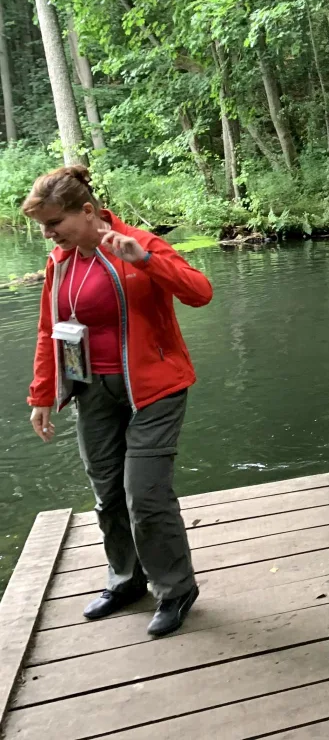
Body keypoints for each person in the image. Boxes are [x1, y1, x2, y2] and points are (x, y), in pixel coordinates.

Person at [24, 166, 212, 636]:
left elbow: (200, 293)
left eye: (54, 224)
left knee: (145, 494)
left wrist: (147, 260)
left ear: (86, 212)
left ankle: (176, 589)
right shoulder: (61, 261)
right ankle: (127, 580)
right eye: (45, 228)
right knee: (108, 494)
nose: (49, 235)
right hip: (93, 391)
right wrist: (42, 395)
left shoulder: (138, 243)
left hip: (155, 389)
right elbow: (50, 331)